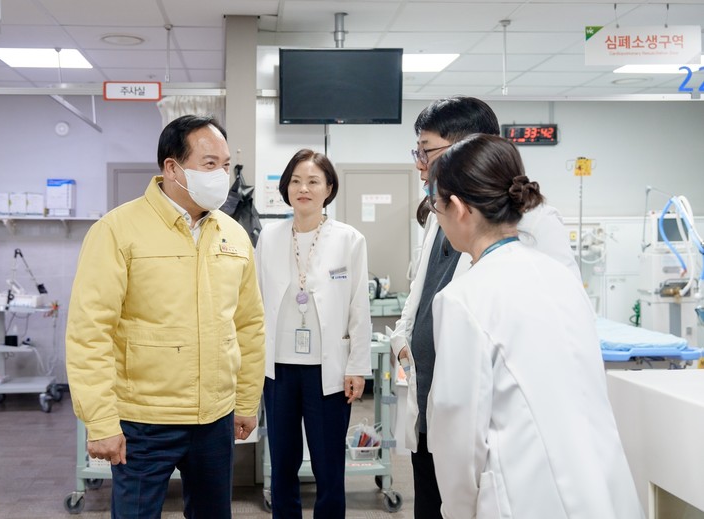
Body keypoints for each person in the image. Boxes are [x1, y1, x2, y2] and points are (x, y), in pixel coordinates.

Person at [426, 133, 643, 518]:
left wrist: (458, 511)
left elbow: (458, 437)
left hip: (525, 497)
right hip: (604, 488)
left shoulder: (463, 299)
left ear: (458, 209)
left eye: (436, 206)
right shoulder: (561, 278)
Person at [65, 114, 265, 519]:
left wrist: (246, 401)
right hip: (144, 420)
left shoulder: (233, 234)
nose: (222, 175)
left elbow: (248, 326)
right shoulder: (117, 230)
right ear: (172, 168)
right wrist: (100, 421)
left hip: (215, 417)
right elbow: (90, 332)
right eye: (210, 164)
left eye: (226, 165)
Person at [389, 96, 580, 518]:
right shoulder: (440, 212)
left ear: (468, 148)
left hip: (493, 422)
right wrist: (404, 336)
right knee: (431, 500)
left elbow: (560, 320)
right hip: (432, 404)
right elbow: (421, 290)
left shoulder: (534, 222)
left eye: (427, 151)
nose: (420, 165)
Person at [255, 149, 372, 518]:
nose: (302, 188)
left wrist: (357, 367)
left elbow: (358, 307)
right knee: (282, 466)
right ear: (286, 188)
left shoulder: (349, 239)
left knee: (328, 467)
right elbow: (256, 304)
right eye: (295, 181)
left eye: (312, 181)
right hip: (279, 371)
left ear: (329, 189)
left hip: (329, 373)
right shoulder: (269, 238)